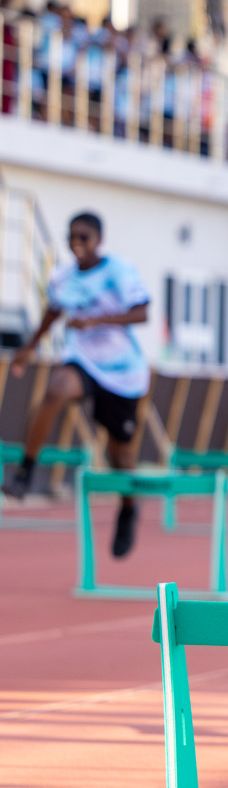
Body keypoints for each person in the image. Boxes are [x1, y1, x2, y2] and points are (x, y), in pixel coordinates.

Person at [3, 212, 150, 557]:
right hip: (83, 361)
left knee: (120, 453)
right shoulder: (62, 278)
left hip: (122, 372)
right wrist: (30, 345)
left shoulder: (118, 271)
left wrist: (98, 319)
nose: (77, 244)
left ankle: (129, 509)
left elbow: (142, 312)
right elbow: (53, 312)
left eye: (84, 237)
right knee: (56, 390)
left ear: (99, 239)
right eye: (71, 237)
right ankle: (25, 472)